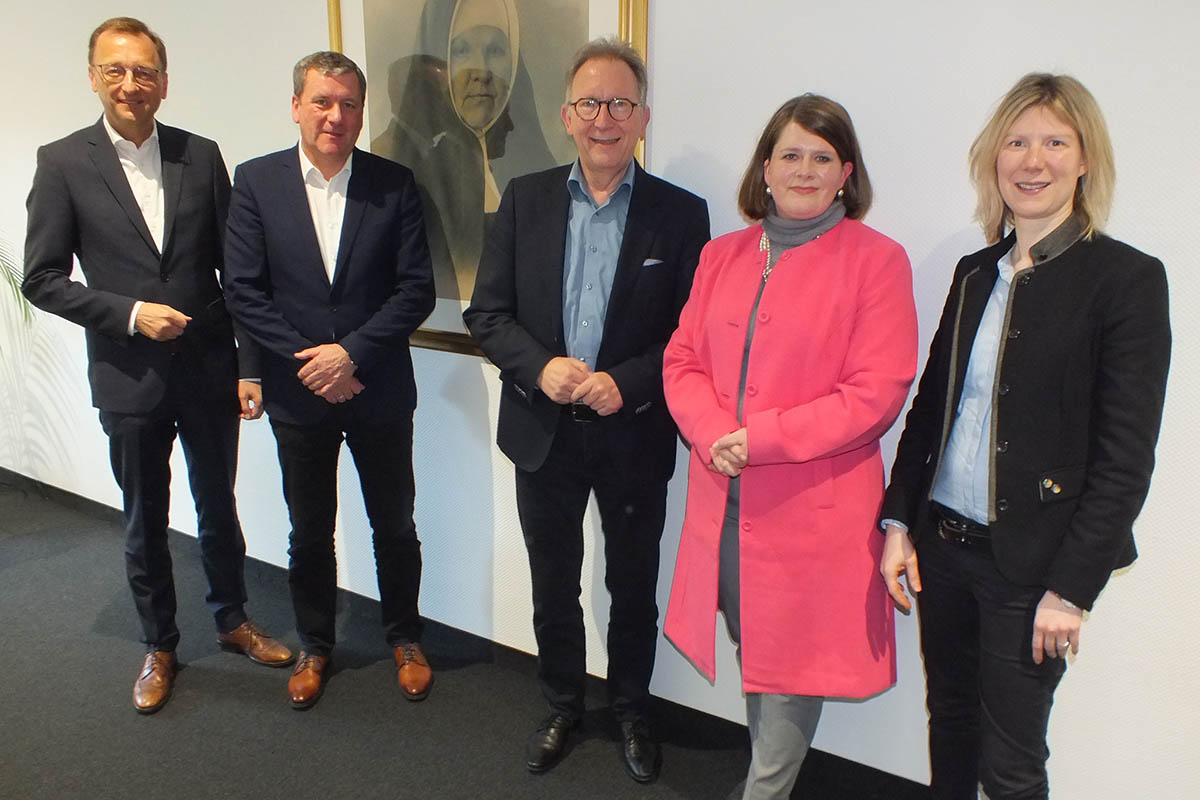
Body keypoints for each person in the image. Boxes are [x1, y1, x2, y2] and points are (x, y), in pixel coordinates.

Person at [878, 73, 1171, 800]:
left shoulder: (1127, 280)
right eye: (1016, 141)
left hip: (1032, 572)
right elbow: (929, 411)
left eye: (1053, 142)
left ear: (1084, 161)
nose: (1031, 159)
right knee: (947, 723)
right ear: (993, 159)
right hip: (941, 550)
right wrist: (896, 520)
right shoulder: (975, 272)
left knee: (1011, 764)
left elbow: (1125, 459)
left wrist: (1070, 589)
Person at [21, 16, 293, 714]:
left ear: (164, 83)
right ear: (92, 76)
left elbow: (239, 273)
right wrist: (130, 314)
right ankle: (160, 644)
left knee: (218, 507)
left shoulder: (200, 156)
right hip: (128, 375)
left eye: (143, 71)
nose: (130, 83)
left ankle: (232, 621)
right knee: (146, 517)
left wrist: (249, 366)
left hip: (207, 369)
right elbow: (43, 278)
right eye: (115, 69)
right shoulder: (62, 163)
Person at [464, 37, 710, 783]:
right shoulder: (526, 199)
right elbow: (487, 314)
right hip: (543, 435)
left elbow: (688, 335)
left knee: (632, 587)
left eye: (621, 104)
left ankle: (633, 708)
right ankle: (564, 704)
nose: (605, 118)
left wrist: (627, 382)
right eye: (590, 104)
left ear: (642, 118)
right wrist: (541, 367)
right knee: (554, 583)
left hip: (632, 435)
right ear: (567, 116)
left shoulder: (681, 214)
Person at [661, 95, 918, 799]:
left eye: (822, 157)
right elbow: (681, 360)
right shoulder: (721, 255)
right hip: (725, 504)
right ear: (766, 168)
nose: (804, 169)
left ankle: (764, 792)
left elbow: (876, 394)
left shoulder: (878, 261)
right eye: (790, 154)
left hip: (813, 514)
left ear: (846, 173)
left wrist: (762, 439)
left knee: (791, 668)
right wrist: (715, 434)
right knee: (761, 657)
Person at [223, 51, 436, 709]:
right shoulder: (255, 182)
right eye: (322, 101)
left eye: (348, 104)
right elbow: (245, 292)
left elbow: (415, 291)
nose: (335, 115)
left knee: (394, 522)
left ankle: (404, 637)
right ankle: (316, 645)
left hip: (377, 389)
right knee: (309, 529)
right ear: (296, 106)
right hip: (298, 395)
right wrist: (315, 363)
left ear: (361, 111)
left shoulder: (394, 183)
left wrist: (349, 356)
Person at [372, 0, 557, 300]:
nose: (480, 72)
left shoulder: (546, 176)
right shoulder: (405, 178)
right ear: (440, 66)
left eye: (495, 50)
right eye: (461, 50)